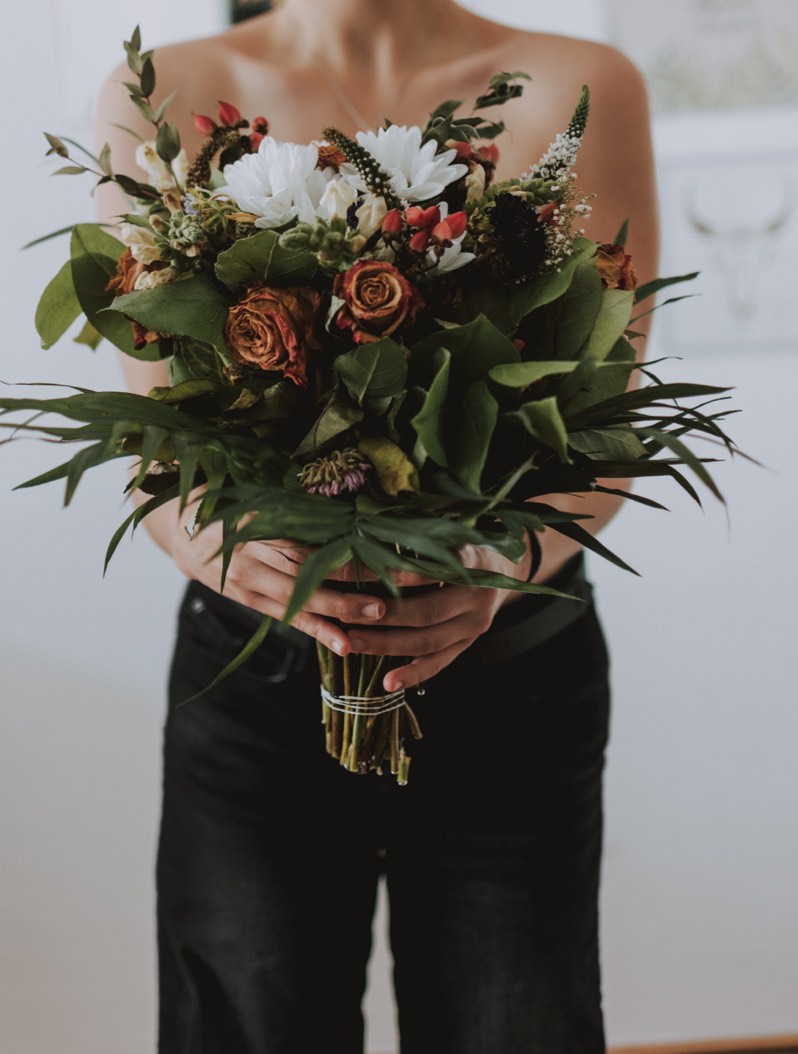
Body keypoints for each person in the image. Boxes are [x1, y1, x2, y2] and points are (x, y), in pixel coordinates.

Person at [94, 2, 659, 1051]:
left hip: (513, 668)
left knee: (515, 1028)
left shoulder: (583, 84)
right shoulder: (157, 92)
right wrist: (221, 548)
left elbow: (602, 430)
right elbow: (161, 446)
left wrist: (495, 568)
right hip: (261, 663)